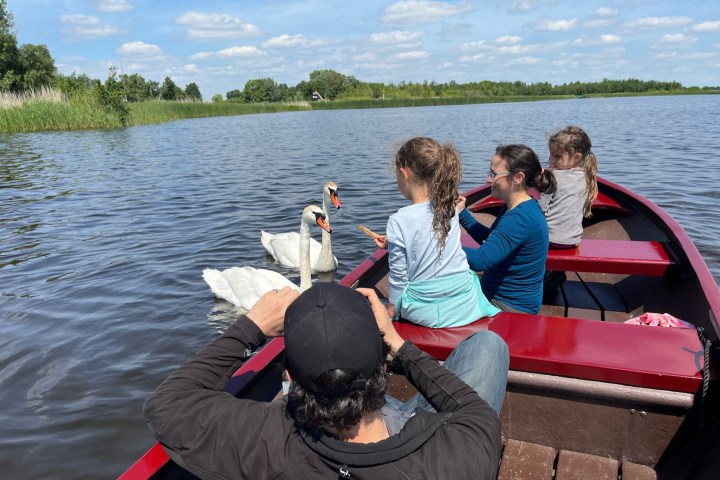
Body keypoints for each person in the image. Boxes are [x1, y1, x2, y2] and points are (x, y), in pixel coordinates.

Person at [144, 282, 509, 480]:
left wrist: (250, 327)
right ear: (383, 363)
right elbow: (473, 411)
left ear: (289, 377)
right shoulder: (462, 452)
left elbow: (166, 404)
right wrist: (398, 344)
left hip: (313, 435)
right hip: (396, 435)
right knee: (489, 345)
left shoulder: (265, 440)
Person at [371, 137, 499, 327]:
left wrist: (392, 310)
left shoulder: (398, 220)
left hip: (426, 312)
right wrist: (393, 241)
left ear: (404, 174)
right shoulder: (448, 209)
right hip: (465, 302)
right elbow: (430, 237)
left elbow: (398, 277)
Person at [457, 144, 557, 314]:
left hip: (509, 307)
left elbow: (482, 259)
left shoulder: (520, 219)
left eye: (494, 174)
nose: (488, 179)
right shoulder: (517, 206)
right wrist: (461, 214)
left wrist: (438, 246)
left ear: (518, 178)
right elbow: (492, 241)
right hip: (499, 298)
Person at [539, 125, 598, 249]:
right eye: (551, 155)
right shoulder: (587, 177)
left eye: (557, 156)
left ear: (576, 157)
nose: (552, 159)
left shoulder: (553, 177)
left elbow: (539, 208)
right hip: (572, 241)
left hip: (548, 239)